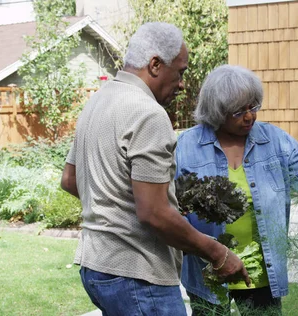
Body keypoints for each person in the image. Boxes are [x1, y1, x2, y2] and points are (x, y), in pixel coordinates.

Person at [60, 23, 250, 316]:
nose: (184, 84)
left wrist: (123, 209)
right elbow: (154, 213)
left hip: (96, 268)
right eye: (181, 72)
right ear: (155, 65)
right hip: (139, 277)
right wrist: (218, 253)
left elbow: (71, 180)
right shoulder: (149, 114)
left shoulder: (97, 101)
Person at [175, 65, 298, 315]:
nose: (249, 117)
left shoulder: (274, 141)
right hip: (206, 274)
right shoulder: (185, 146)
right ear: (217, 110)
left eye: (253, 107)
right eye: (239, 111)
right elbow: (167, 203)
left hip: (260, 274)